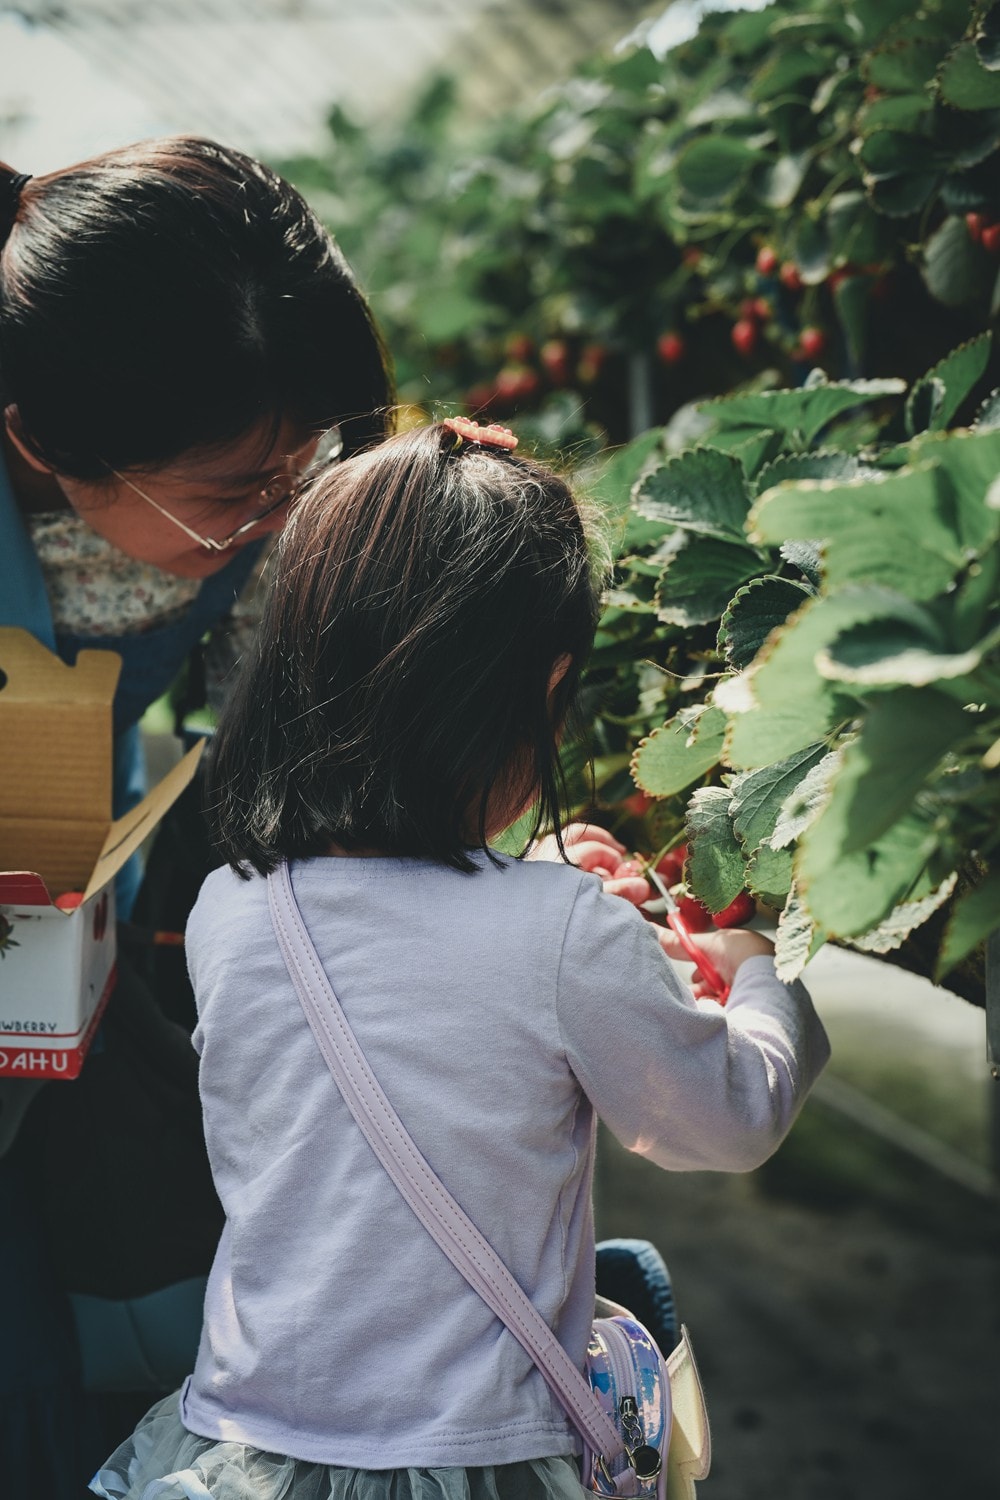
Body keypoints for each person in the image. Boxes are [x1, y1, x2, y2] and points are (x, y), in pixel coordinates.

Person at [90, 418, 830, 1500]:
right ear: (545, 685)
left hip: (246, 1446)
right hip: (477, 1460)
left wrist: (536, 889)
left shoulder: (231, 912)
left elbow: (399, 983)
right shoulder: (563, 934)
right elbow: (725, 1120)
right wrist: (762, 972)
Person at [0, 137, 393, 1496]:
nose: (281, 516)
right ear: (41, 441)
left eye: (304, 467)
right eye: (239, 494)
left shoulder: (236, 507)